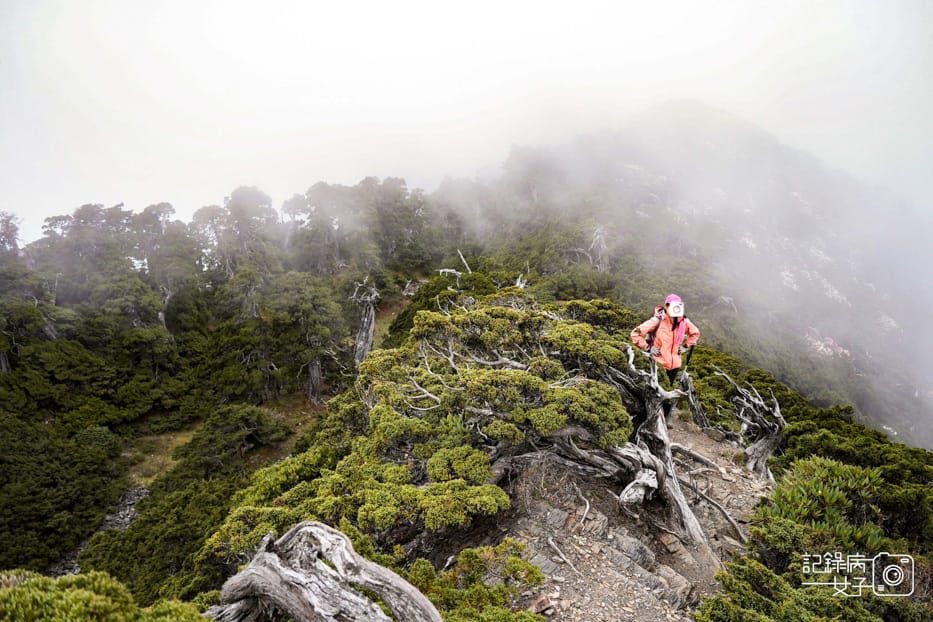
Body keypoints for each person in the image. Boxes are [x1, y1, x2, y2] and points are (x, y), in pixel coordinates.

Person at [630, 294, 701, 428]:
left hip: (674, 365)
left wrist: (686, 346)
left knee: (667, 391)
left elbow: (695, 333)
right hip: (658, 364)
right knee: (653, 392)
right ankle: (644, 419)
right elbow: (635, 333)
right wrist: (648, 347)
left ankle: (663, 418)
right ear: (666, 306)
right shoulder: (657, 321)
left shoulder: (683, 321)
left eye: (678, 306)